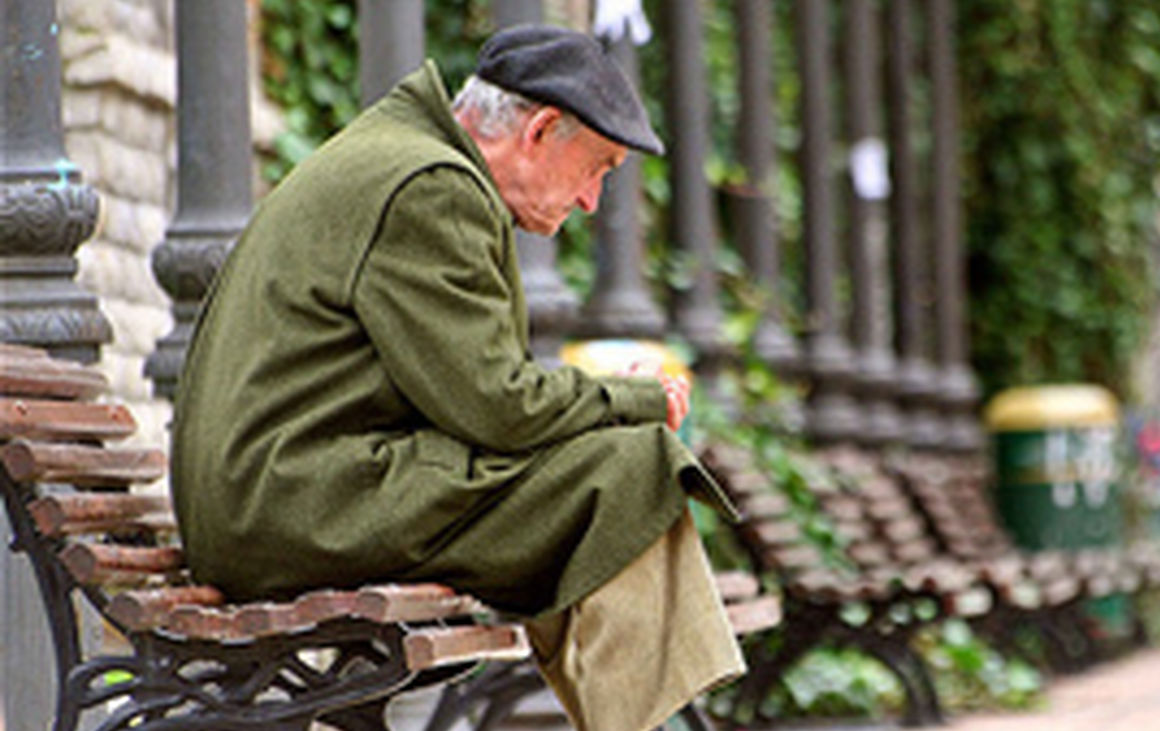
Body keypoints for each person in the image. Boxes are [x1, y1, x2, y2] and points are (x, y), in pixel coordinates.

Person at [170, 24, 745, 731]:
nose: (593, 200)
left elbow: (473, 395)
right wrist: (637, 400)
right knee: (633, 465)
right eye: (597, 166)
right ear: (539, 131)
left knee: (614, 468)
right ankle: (653, 722)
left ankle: (649, 716)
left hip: (284, 494)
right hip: (289, 505)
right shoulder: (431, 187)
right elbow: (495, 406)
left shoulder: (403, 157)